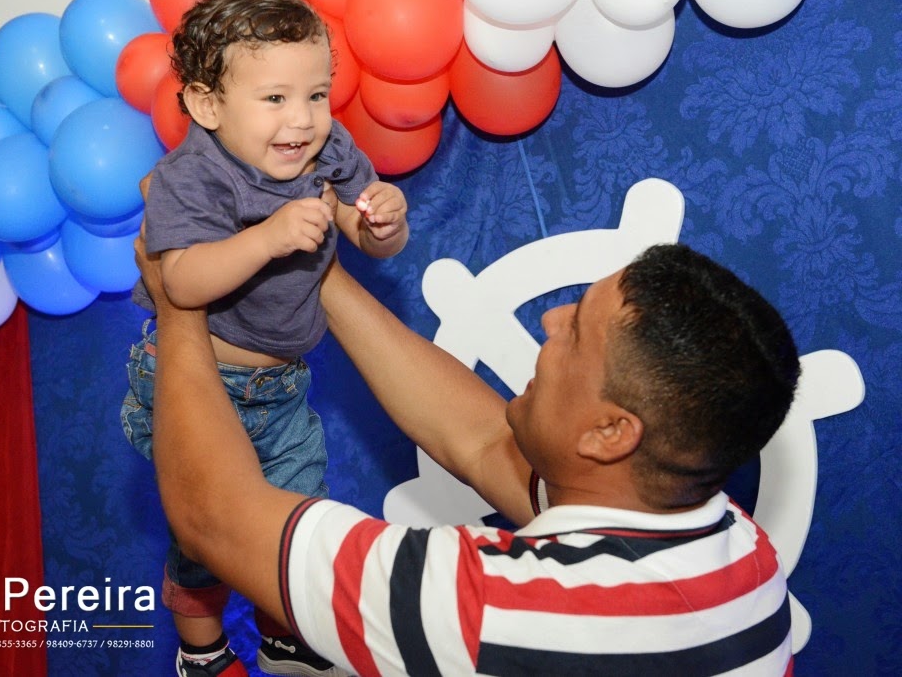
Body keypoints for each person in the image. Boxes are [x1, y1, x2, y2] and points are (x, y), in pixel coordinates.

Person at [139, 237, 800, 676]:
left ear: (610, 432)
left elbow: (211, 514)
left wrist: (178, 302)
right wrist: (319, 271)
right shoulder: (743, 553)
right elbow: (481, 443)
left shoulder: (502, 611)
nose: (551, 320)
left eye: (576, 331)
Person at [119, 0, 408, 675]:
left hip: (282, 386)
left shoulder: (325, 149)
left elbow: (362, 228)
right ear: (207, 105)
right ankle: (202, 652)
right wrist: (267, 239)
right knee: (208, 533)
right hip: (197, 381)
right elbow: (181, 282)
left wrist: (384, 224)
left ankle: (283, 637)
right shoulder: (191, 176)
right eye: (275, 97)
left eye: (317, 94)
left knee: (294, 519)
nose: (302, 118)